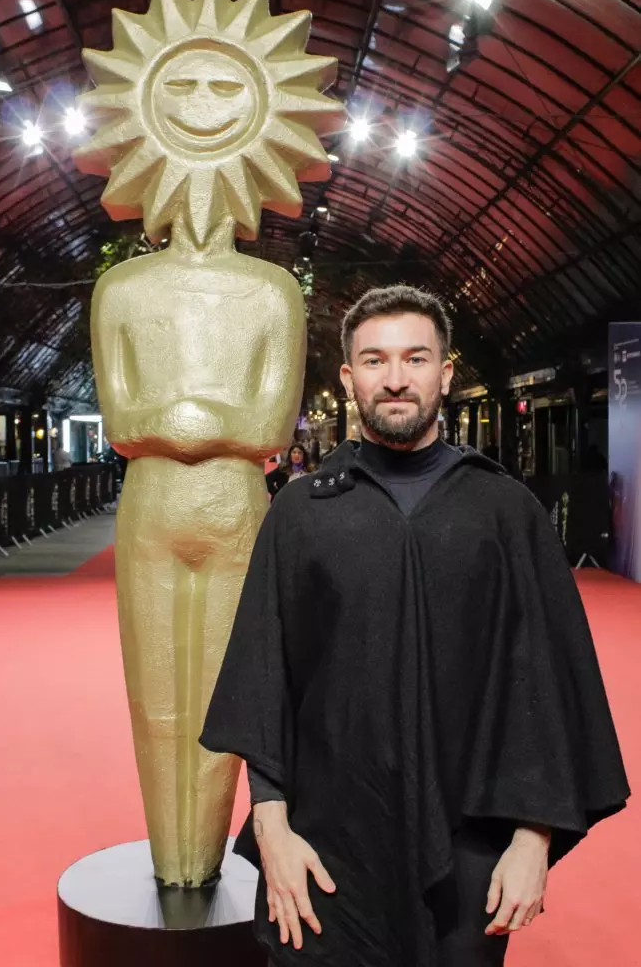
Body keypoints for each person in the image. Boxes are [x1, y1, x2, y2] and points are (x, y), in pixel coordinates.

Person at [201, 285, 629, 967]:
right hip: (325, 845)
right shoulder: (302, 513)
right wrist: (273, 830)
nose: (396, 378)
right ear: (348, 378)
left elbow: (544, 681)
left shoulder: (504, 511)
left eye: (415, 358)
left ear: (445, 373)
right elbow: (264, 675)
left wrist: (532, 842)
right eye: (374, 360)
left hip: (471, 843)